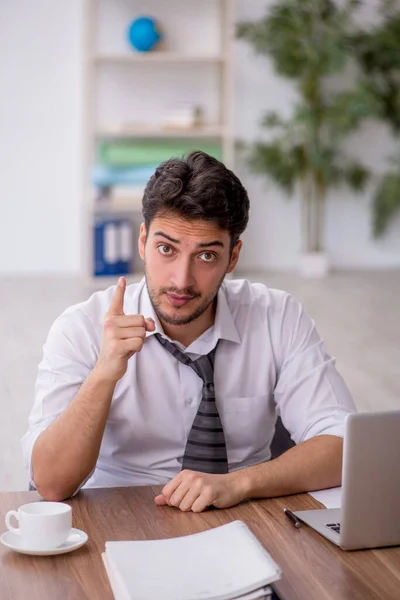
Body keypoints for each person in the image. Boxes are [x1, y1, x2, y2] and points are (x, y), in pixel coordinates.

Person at [22, 151, 356, 513]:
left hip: (243, 513)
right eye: (166, 249)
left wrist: (241, 482)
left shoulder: (277, 316)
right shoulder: (81, 327)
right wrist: (104, 373)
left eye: (207, 256)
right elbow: (52, 483)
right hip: (116, 517)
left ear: (233, 257)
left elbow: (344, 446)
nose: (182, 280)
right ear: (143, 241)